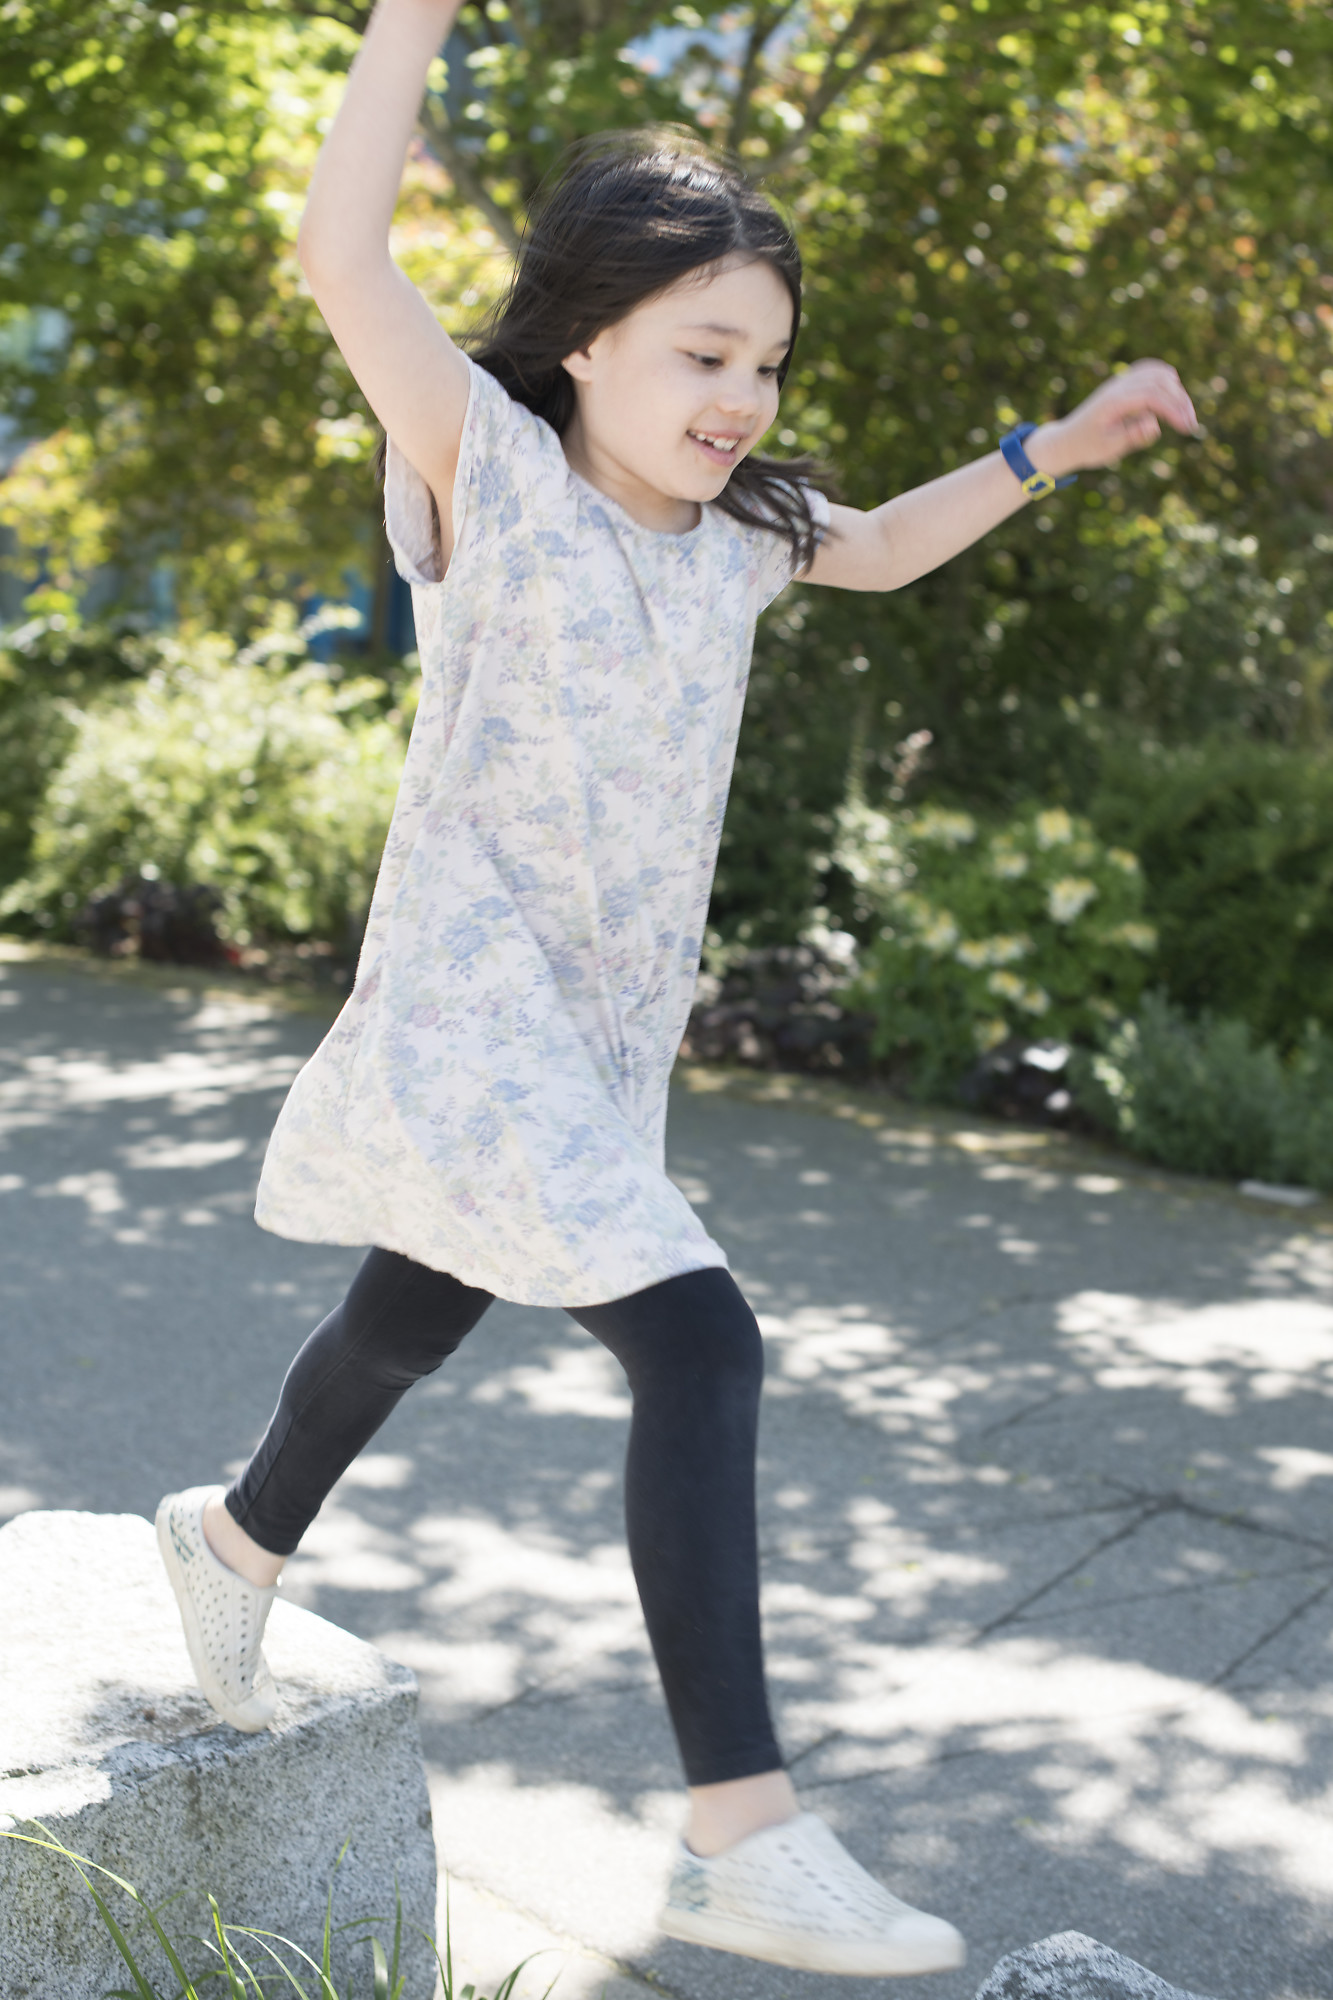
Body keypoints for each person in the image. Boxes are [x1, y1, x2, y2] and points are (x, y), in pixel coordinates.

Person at [155, 0, 1198, 1975]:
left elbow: (881, 545)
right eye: (702, 351)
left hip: (594, 1040)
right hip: (472, 1014)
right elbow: (340, 255)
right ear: (584, 339)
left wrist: (1045, 450)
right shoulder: (490, 468)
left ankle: (228, 1541)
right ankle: (739, 1831)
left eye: (766, 362)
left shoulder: (741, 538)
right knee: (702, 1349)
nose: (741, 394)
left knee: (413, 1304)